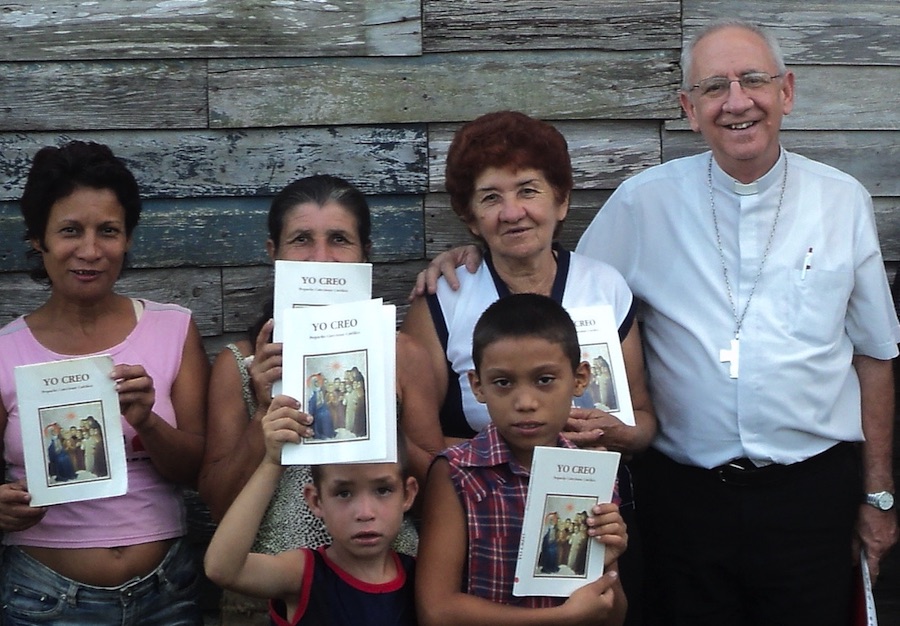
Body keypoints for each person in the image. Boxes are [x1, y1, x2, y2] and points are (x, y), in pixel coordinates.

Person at [418, 20, 900, 626]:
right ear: (689, 109)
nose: (737, 102)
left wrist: (878, 496)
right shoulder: (644, 202)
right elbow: (561, 283)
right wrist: (478, 254)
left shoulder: (842, 200)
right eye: (714, 87)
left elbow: (875, 355)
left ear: (787, 91)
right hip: (686, 503)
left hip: (810, 496)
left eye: (753, 80)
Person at [401, 110, 653, 622]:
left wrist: (615, 433)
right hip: (481, 518)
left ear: (561, 200)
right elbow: (418, 442)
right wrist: (516, 456)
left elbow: (645, 423)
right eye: (491, 197)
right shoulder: (446, 298)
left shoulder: (603, 286)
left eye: (528, 190)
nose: (512, 212)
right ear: (470, 217)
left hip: (592, 508)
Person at [0, 140, 209, 625]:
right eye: (70, 230)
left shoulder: (173, 329)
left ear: (128, 238)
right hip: (43, 598)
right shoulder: (6, 350)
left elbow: (196, 470)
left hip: (167, 592)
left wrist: (148, 422)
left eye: (108, 231)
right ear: (39, 239)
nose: (91, 251)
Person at [198, 174, 442, 556]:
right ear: (274, 252)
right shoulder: (240, 364)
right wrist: (263, 412)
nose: (321, 258)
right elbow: (216, 505)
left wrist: (378, 416)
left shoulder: (402, 355)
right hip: (272, 581)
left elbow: (435, 497)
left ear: (365, 253)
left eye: (339, 239)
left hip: (384, 577)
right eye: (302, 239)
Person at [416, 294, 627, 625]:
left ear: (580, 379)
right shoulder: (458, 473)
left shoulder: (592, 476)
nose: (526, 402)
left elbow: (613, 615)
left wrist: (606, 560)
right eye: (503, 382)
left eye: (544, 380)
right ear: (477, 385)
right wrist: (560, 618)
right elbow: (436, 611)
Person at [204, 395, 418, 625]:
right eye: (344, 493)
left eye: (383, 490)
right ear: (316, 501)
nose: (365, 513)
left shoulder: (420, 579)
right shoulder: (302, 574)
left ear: (407, 495)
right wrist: (272, 464)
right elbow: (222, 569)